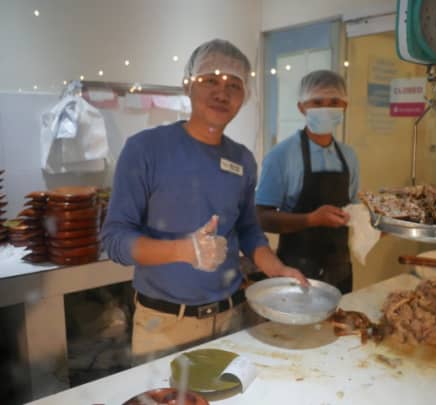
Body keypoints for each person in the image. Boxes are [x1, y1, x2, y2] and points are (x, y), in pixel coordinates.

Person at [101, 39, 307, 363]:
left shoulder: (242, 160)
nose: (221, 92)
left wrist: (277, 268)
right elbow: (114, 239)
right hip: (165, 325)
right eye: (210, 80)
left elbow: (249, 229)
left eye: (233, 85)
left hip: (232, 319)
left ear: (244, 97)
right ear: (188, 85)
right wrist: (184, 251)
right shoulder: (145, 150)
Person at [255, 70, 360, 294]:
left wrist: (373, 222)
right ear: (302, 107)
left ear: (345, 106)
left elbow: (354, 208)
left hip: (340, 269)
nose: (326, 107)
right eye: (318, 102)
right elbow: (261, 217)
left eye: (334, 101)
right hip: (295, 270)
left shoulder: (349, 156)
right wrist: (311, 219)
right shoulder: (281, 156)